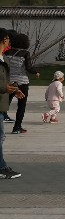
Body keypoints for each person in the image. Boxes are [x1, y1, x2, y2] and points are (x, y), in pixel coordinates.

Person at [0, 28, 23, 179]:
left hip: (1, 104)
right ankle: (1, 167)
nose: (9, 41)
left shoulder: (3, 59)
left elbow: (5, 81)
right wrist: (4, 88)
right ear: (4, 39)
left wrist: (14, 89)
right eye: (8, 38)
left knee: (0, 137)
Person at [6, 33, 39, 134]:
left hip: (9, 82)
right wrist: (36, 72)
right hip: (22, 82)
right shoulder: (25, 53)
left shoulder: (6, 52)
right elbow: (28, 68)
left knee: (5, 103)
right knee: (21, 105)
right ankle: (17, 127)